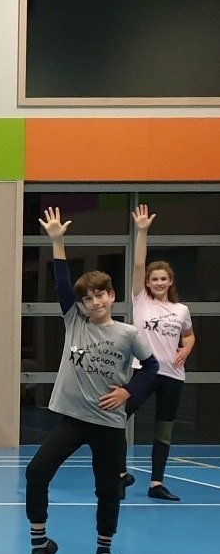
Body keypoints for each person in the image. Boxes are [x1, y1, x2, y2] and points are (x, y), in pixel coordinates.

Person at [25, 207, 160, 554]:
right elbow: (61, 282)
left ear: (112, 296)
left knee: (108, 490)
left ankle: (104, 551)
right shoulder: (74, 322)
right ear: (82, 304)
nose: (95, 302)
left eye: (101, 295)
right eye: (89, 298)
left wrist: (128, 394)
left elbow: (152, 370)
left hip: (109, 425)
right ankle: (40, 545)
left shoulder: (128, 334)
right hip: (73, 420)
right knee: (37, 473)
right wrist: (57, 241)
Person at [117, 203, 195, 501]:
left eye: (164, 279)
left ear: (170, 282)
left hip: (173, 375)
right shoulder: (141, 302)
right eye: (154, 279)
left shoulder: (181, 309)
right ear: (147, 284)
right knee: (118, 416)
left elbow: (189, 336)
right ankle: (120, 474)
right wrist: (141, 232)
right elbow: (138, 265)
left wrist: (185, 350)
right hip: (143, 371)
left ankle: (156, 484)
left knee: (164, 431)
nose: (159, 283)